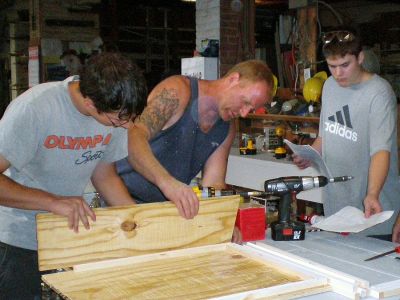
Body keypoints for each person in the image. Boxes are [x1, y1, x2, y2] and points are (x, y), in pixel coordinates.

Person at [0, 52, 147, 299]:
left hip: (66, 239)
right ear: (90, 104)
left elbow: (105, 175)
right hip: (17, 242)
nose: (126, 127)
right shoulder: (36, 108)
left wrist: (139, 224)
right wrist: (52, 201)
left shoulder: (116, 111)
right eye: (118, 120)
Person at [116, 60, 274, 241]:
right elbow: (134, 139)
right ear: (233, 79)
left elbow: (213, 185)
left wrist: (220, 224)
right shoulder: (178, 91)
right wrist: (168, 183)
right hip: (120, 203)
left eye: (251, 109)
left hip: (163, 212)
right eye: (245, 102)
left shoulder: (227, 127)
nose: (244, 113)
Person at [293, 27, 400, 239]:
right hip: (338, 208)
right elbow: (327, 134)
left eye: (345, 65)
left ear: (360, 57)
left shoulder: (379, 93)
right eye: (332, 66)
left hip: (372, 210)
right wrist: (309, 154)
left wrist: (372, 194)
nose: (338, 73)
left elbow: (381, 150)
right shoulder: (330, 86)